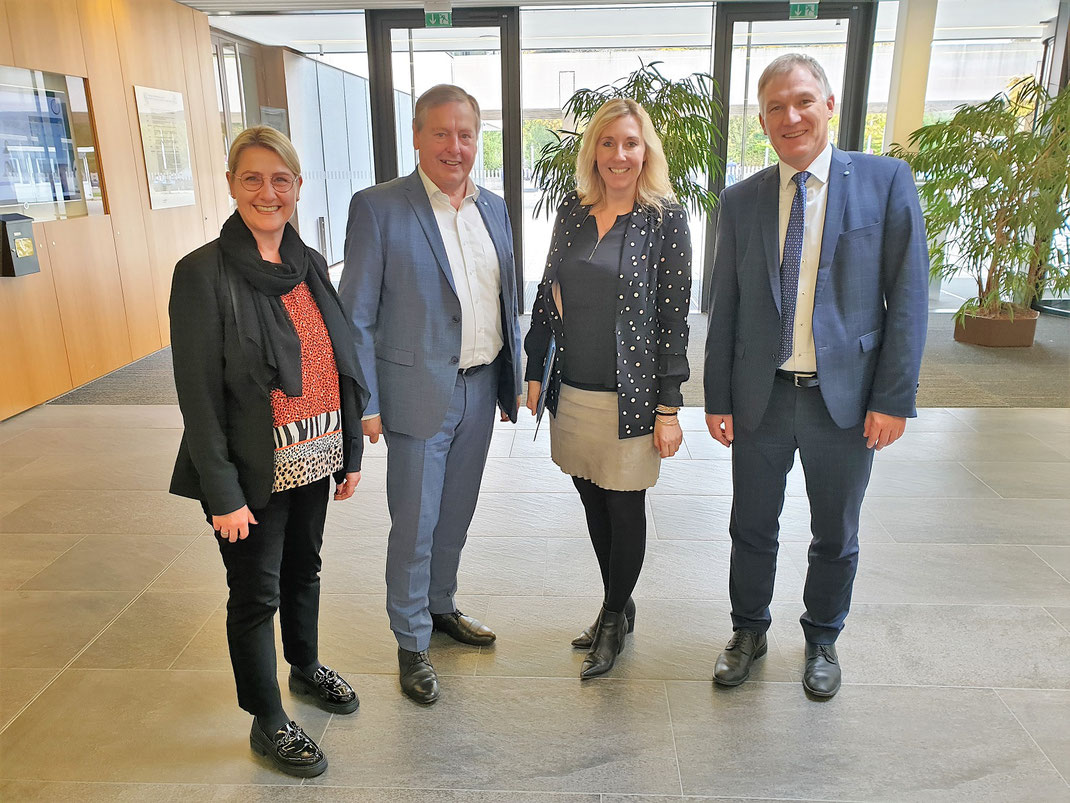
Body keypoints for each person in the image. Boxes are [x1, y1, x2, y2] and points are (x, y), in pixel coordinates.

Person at [704, 54, 928, 698]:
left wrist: (892, 399)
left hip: (848, 401)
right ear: (763, 120)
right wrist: (717, 396)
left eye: (803, 101)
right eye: (774, 107)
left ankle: (823, 636)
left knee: (835, 530)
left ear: (829, 104)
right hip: (762, 397)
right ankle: (748, 629)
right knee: (751, 524)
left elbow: (907, 299)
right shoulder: (742, 199)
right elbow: (728, 307)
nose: (790, 116)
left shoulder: (885, 182)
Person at [169, 126, 369, 777]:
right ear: (230, 184)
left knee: (303, 569)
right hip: (251, 473)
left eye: (280, 179)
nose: (267, 191)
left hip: (313, 459)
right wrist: (221, 494)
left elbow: (335, 359)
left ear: (297, 187)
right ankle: (266, 717)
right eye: (252, 177)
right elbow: (197, 395)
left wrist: (348, 451)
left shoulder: (307, 262)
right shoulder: (202, 272)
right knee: (254, 593)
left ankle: (305, 666)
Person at [339, 84, 523, 705]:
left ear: (478, 139)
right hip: (416, 394)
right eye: (440, 133)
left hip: (481, 386)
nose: (454, 146)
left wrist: (514, 374)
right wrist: (363, 402)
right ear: (417, 136)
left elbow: (505, 299)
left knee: (456, 512)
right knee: (414, 522)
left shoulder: (493, 208)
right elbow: (357, 314)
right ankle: (411, 640)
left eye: (465, 134)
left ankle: (440, 606)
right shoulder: (379, 207)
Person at [525, 98, 692, 679]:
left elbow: (675, 318)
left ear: (645, 151)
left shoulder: (665, 218)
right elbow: (548, 293)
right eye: (607, 143)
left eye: (630, 143)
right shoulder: (572, 211)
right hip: (574, 388)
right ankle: (618, 603)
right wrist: (532, 367)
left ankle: (614, 617)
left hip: (634, 396)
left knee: (625, 507)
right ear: (593, 150)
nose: (618, 155)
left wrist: (669, 407)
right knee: (593, 499)